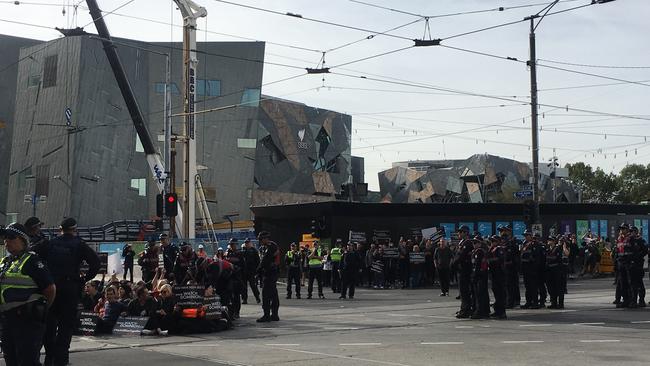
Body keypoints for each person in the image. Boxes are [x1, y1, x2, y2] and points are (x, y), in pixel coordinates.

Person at [34, 217, 100, 366]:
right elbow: (95, 263)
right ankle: (61, 359)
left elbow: (32, 255)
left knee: (49, 325)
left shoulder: (49, 243)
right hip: (70, 289)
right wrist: (84, 279)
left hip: (51, 288)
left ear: (60, 229)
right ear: (74, 230)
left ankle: (50, 357)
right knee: (66, 326)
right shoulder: (79, 245)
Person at [0, 223, 56, 366]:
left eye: (12, 237)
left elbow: (50, 288)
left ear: (23, 240)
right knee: (11, 360)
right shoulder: (5, 262)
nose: (7, 241)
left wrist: (41, 308)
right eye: (5, 238)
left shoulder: (32, 261)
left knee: (27, 361)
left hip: (27, 321)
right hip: (7, 320)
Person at [256, 231, 280, 322]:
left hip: (271, 273)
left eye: (261, 239)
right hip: (269, 273)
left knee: (266, 294)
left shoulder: (271, 246)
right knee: (273, 294)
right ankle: (274, 315)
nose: (260, 241)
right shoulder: (265, 247)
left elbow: (265, 260)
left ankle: (267, 315)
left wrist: (257, 271)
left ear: (266, 239)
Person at [453, 225, 474, 318]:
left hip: (465, 269)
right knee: (462, 291)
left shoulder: (467, 243)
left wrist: (453, 264)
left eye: (461, 232)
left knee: (464, 291)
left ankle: (465, 310)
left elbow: (461, 256)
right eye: (459, 232)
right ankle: (464, 308)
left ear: (466, 233)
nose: (459, 233)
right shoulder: (462, 243)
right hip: (461, 269)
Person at [499, 225, 520, 309]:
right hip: (504, 267)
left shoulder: (512, 242)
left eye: (504, 231)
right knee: (506, 285)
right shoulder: (503, 243)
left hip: (511, 267)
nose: (502, 233)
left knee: (510, 285)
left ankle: (512, 301)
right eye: (501, 231)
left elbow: (514, 256)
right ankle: (507, 301)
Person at [487, 235, 507, 319]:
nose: (492, 243)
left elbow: (499, 260)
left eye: (493, 241)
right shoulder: (492, 249)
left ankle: (502, 312)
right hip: (494, 274)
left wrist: (489, 260)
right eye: (491, 241)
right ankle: (497, 310)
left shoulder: (500, 249)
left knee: (500, 294)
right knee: (496, 293)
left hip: (499, 274)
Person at [225, 238, 245, 319]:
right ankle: (231, 312)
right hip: (229, 277)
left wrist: (236, 269)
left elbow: (243, 266)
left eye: (233, 244)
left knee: (236, 296)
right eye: (231, 244)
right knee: (230, 296)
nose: (232, 246)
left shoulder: (240, 253)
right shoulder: (227, 253)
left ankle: (237, 312)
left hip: (237, 277)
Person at [470, 238, 490, 319]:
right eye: (473, 243)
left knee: (480, 294)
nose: (474, 244)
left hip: (480, 274)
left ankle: (480, 311)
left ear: (480, 243)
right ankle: (484, 310)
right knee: (481, 293)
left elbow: (478, 264)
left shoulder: (480, 252)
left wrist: (474, 275)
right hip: (479, 274)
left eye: (476, 243)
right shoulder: (476, 251)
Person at [520, 230, 540, 309]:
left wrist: (534, 268)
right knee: (527, 287)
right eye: (525, 235)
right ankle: (528, 302)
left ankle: (535, 302)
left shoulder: (534, 244)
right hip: (525, 268)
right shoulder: (524, 244)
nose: (526, 237)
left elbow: (537, 258)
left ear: (531, 236)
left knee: (533, 287)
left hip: (532, 269)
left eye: (527, 235)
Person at [545, 236, 565, 309]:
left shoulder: (557, 249)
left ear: (554, 241)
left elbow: (558, 260)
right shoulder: (547, 249)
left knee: (559, 288)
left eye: (550, 240)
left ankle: (560, 304)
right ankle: (553, 303)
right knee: (551, 288)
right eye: (548, 240)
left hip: (557, 271)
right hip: (549, 271)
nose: (548, 241)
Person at [630, 227, 647, 307]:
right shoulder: (629, 241)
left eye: (632, 231)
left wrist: (638, 256)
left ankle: (641, 300)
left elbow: (645, 251)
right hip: (630, 265)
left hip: (638, 265)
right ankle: (633, 300)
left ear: (636, 232)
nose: (631, 233)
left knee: (639, 283)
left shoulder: (641, 241)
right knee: (632, 284)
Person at [242, 238, 261, 304]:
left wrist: (256, 270)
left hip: (251, 271)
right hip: (244, 271)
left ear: (250, 243)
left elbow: (258, 261)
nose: (247, 244)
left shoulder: (254, 251)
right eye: (246, 243)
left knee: (253, 285)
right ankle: (244, 299)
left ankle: (257, 297)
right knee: (244, 286)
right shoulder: (243, 250)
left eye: (248, 242)